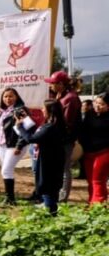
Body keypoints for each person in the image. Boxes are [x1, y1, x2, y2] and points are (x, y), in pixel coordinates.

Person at [16, 99, 67, 215]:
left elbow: (32, 139)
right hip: (54, 159)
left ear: (50, 111)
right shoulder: (57, 125)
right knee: (52, 186)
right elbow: (38, 134)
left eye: (44, 108)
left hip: (48, 161)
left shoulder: (49, 127)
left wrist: (20, 127)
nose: (42, 110)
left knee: (47, 185)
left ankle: (50, 210)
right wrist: (27, 121)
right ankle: (49, 206)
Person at [44, 70, 80, 203]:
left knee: (64, 168)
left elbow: (67, 122)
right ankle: (56, 194)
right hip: (58, 138)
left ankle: (62, 197)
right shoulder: (60, 96)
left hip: (64, 139)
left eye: (52, 83)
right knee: (57, 168)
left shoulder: (71, 98)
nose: (50, 86)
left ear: (60, 84)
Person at [0, 87, 27, 205]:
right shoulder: (3, 112)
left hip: (14, 145)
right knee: (6, 170)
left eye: (11, 96)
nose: (8, 99)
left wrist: (19, 146)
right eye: (5, 96)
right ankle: (9, 198)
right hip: (2, 144)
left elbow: (26, 129)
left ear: (16, 97)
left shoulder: (20, 110)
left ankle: (10, 199)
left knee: (6, 170)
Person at [79, 93, 109, 204]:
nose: (97, 105)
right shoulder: (89, 114)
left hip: (103, 152)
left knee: (98, 181)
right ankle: (92, 201)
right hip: (88, 153)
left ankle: (98, 206)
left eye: (101, 104)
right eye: (96, 103)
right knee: (91, 181)